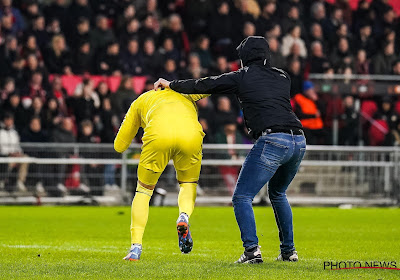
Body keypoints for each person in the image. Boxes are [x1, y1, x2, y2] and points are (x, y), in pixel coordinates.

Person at [154, 36, 305, 263]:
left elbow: (205, 84)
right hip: (299, 140)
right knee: (278, 193)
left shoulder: (241, 76)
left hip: (272, 139)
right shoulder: (283, 76)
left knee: (242, 197)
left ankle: (252, 251)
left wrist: (172, 84)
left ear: (245, 58)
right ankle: (289, 251)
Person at [114, 88, 209, 261]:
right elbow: (209, 86)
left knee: (143, 191)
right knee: (188, 185)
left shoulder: (140, 101)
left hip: (158, 135)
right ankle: (184, 215)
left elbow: (119, 145)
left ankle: (136, 247)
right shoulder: (186, 91)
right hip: (190, 134)